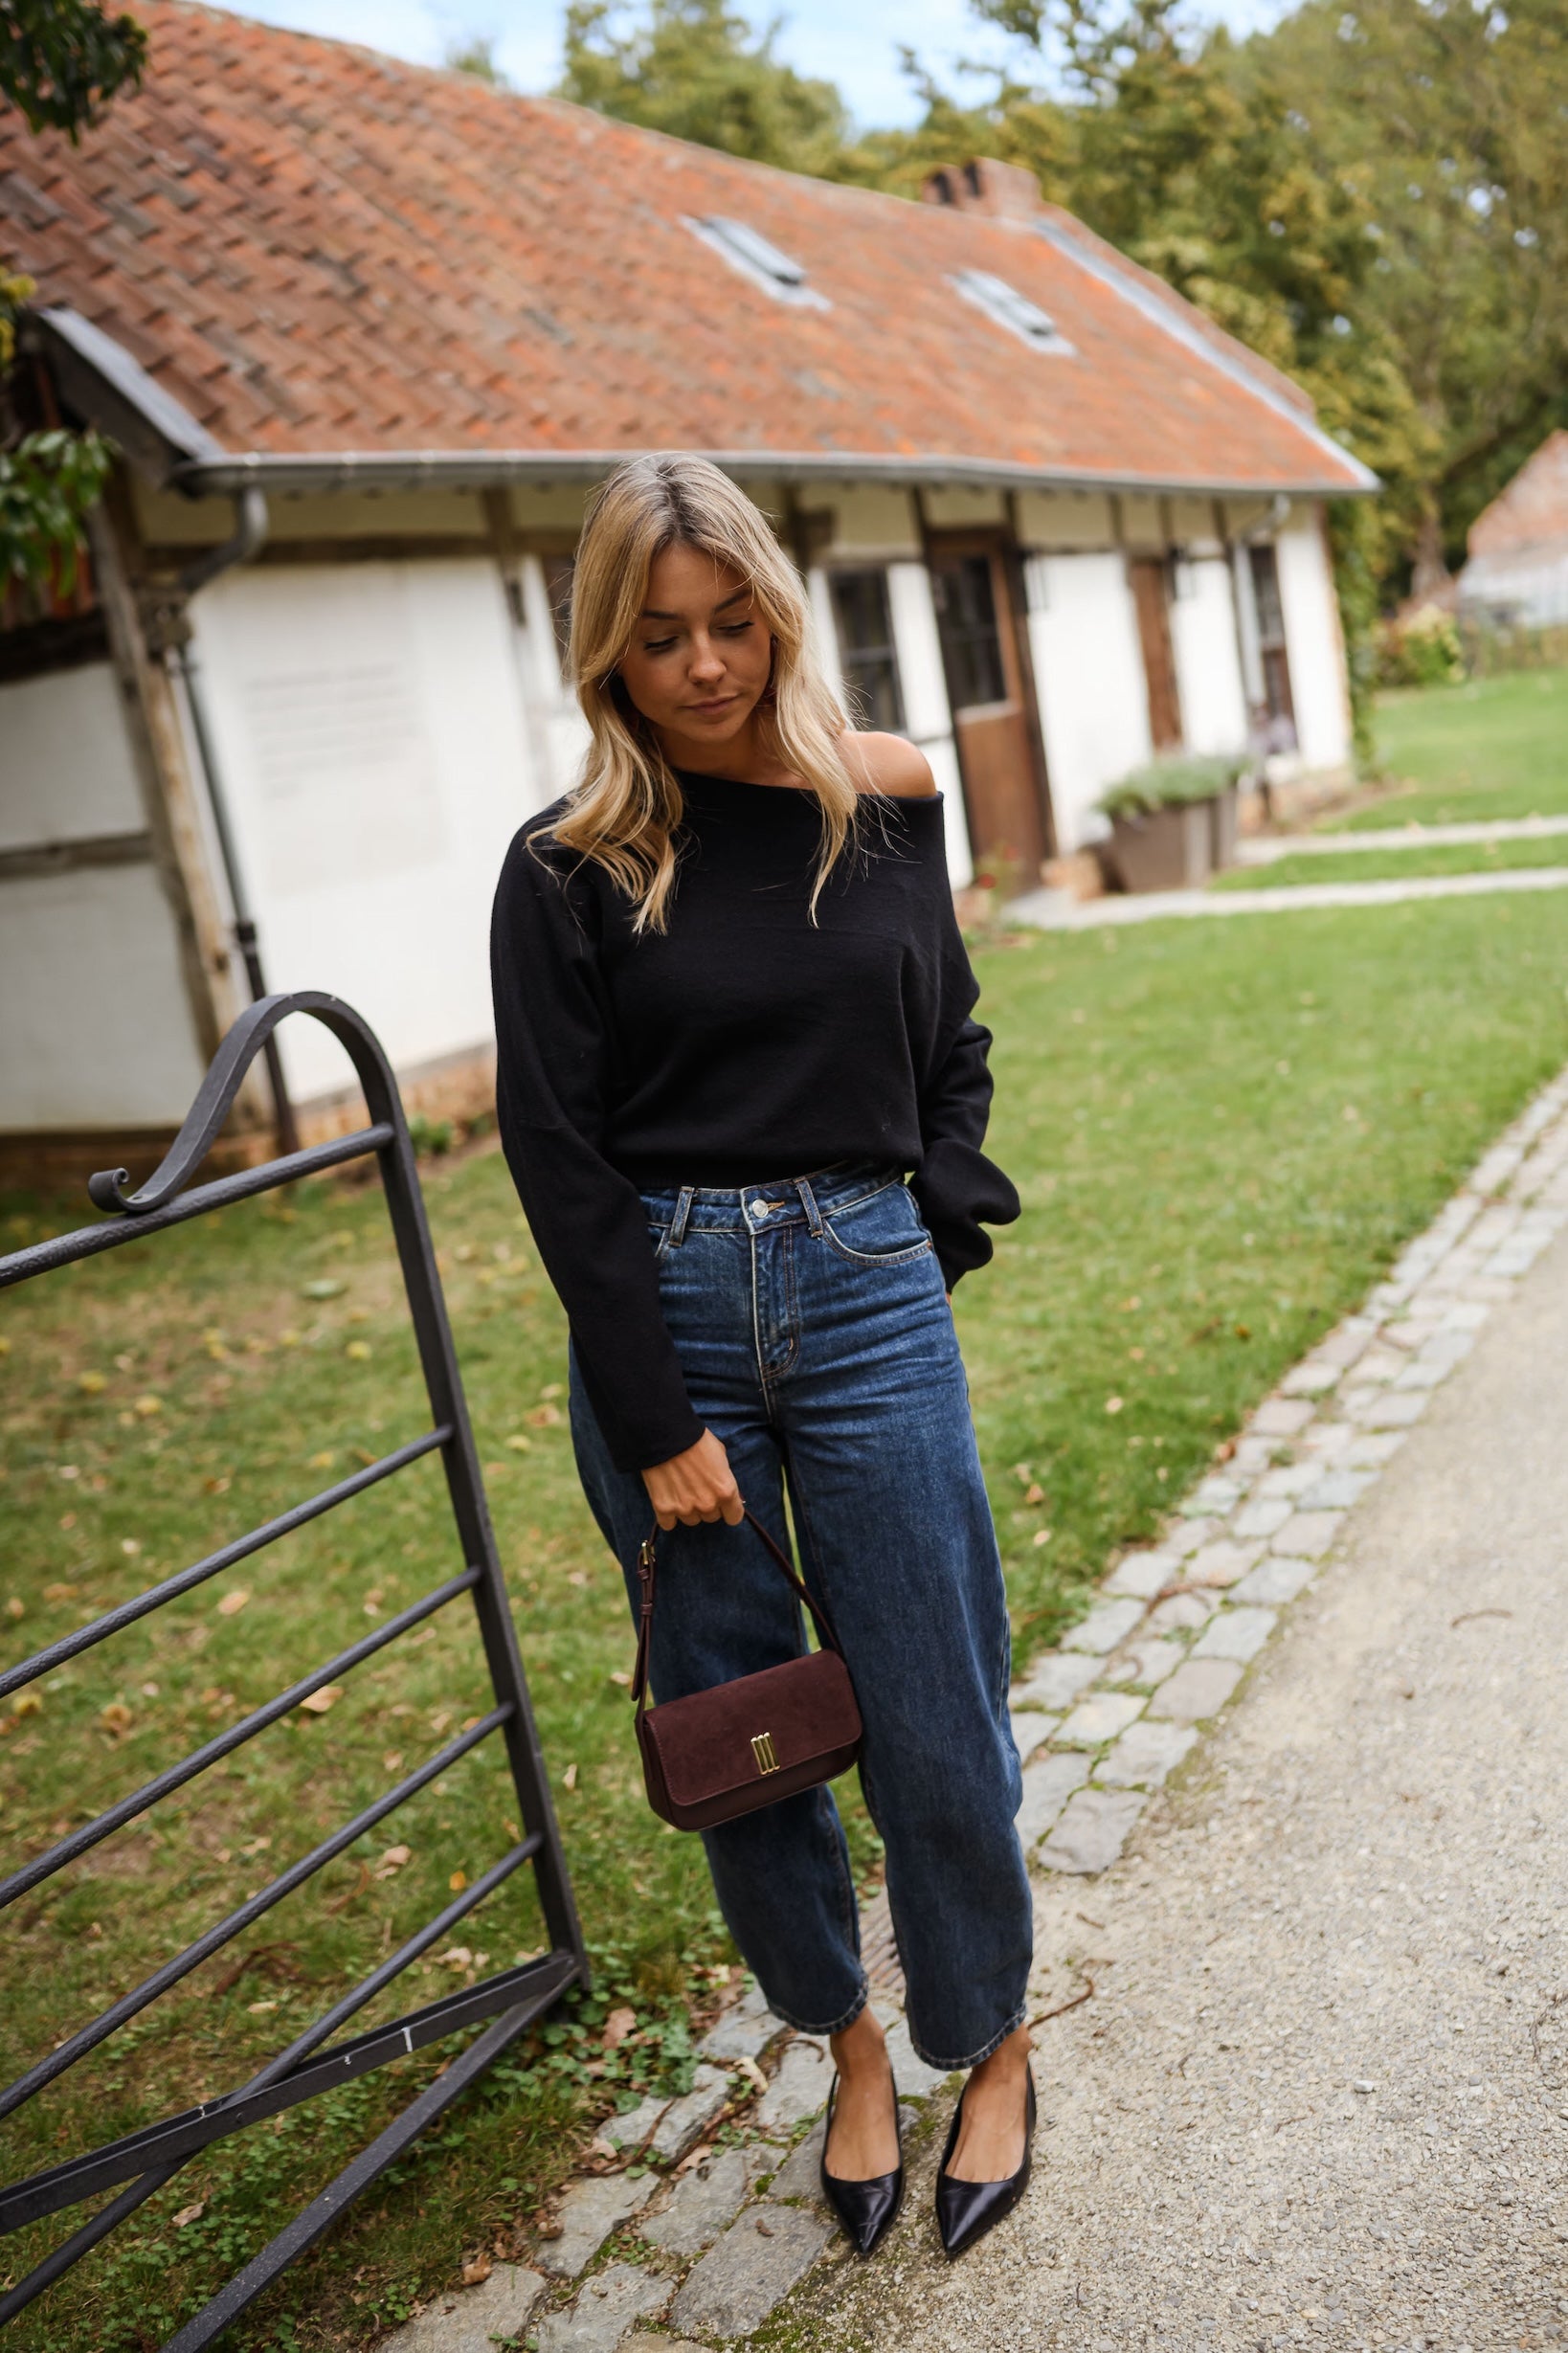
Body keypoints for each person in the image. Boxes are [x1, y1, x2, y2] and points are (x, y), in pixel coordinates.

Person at [490, 453, 1035, 2259]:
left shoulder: (879, 800)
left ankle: (990, 2032)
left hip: (869, 1290)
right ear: (606, 653)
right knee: (747, 1740)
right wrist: (651, 1414)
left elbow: (947, 1032)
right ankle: (853, 2042)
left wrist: (925, 1224)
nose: (705, 665)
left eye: (732, 624)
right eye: (659, 639)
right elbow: (558, 1154)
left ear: (778, 614)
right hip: (669, 1318)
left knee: (938, 1711)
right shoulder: (569, 866)